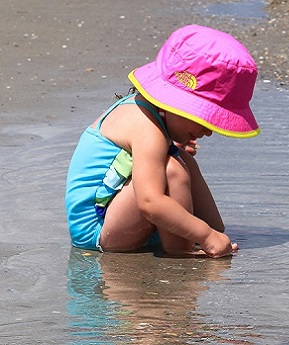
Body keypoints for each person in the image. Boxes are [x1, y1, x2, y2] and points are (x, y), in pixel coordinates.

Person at [65, 24, 260, 258]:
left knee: (182, 162)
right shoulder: (147, 128)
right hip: (98, 230)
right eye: (205, 118)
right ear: (175, 103)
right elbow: (149, 202)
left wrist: (212, 232)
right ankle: (179, 252)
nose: (209, 132)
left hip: (119, 213)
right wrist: (207, 237)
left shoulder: (152, 118)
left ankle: (190, 238)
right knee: (172, 169)